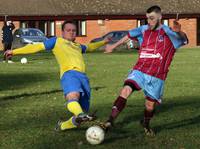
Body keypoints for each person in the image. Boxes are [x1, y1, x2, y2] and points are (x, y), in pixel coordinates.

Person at [4, 21, 110, 131]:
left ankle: (62, 126)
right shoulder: (56, 41)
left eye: (74, 31)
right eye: (68, 30)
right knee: (73, 97)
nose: (71, 32)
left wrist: (104, 42)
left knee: (81, 115)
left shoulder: (78, 46)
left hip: (83, 78)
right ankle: (80, 114)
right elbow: (37, 47)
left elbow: (89, 47)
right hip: (69, 74)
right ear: (62, 32)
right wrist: (14, 52)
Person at [102, 5, 188, 136]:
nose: (149, 21)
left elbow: (184, 39)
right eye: (147, 18)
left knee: (149, 106)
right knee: (125, 90)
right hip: (140, 69)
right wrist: (113, 46)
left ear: (160, 17)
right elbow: (129, 35)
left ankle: (146, 123)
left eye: (152, 18)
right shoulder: (143, 29)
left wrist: (179, 31)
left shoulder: (170, 33)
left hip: (157, 76)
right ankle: (109, 120)